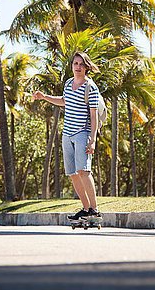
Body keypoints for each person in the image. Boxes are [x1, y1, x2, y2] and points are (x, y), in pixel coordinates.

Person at [33, 51, 102, 220]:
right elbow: (64, 101)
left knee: (83, 171)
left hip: (82, 133)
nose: (78, 67)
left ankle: (94, 209)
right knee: (72, 173)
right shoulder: (69, 83)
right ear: (72, 66)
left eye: (81, 64)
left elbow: (94, 116)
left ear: (86, 67)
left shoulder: (90, 87)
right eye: (75, 64)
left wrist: (92, 140)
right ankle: (85, 209)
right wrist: (44, 97)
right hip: (67, 134)